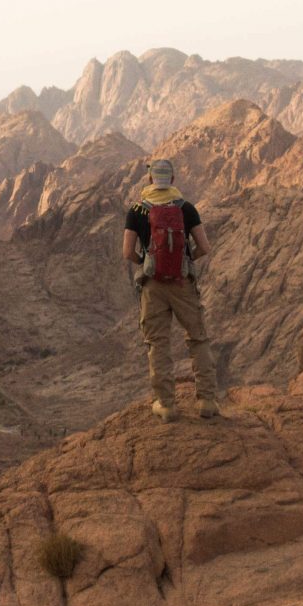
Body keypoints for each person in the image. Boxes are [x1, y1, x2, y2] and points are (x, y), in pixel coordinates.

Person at [122, 158, 221, 419]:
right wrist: (186, 262)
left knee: (158, 344)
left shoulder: (137, 210)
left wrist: (146, 264)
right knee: (198, 338)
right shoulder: (186, 208)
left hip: (153, 285)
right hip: (182, 283)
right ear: (173, 180)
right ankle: (207, 402)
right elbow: (204, 247)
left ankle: (166, 405)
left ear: (151, 180)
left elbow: (126, 251)